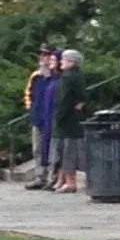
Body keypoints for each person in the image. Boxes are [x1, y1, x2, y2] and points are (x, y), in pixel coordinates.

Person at [50, 50, 86, 194]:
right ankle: (64, 180)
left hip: (67, 120)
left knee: (67, 152)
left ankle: (70, 182)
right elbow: (82, 98)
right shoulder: (78, 76)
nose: (61, 62)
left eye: (64, 59)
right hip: (75, 118)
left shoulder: (68, 78)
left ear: (71, 62)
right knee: (67, 151)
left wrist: (58, 117)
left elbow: (63, 100)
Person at [23, 47, 58, 188]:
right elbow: (28, 93)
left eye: (47, 56)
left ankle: (52, 177)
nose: (43, 59)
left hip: (51, 118)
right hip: (37, 118)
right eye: (42, 56)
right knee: (37, 149)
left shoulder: (55, 77)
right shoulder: (36, 76)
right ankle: (40, 177)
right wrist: (30, 108)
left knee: (51, 149)